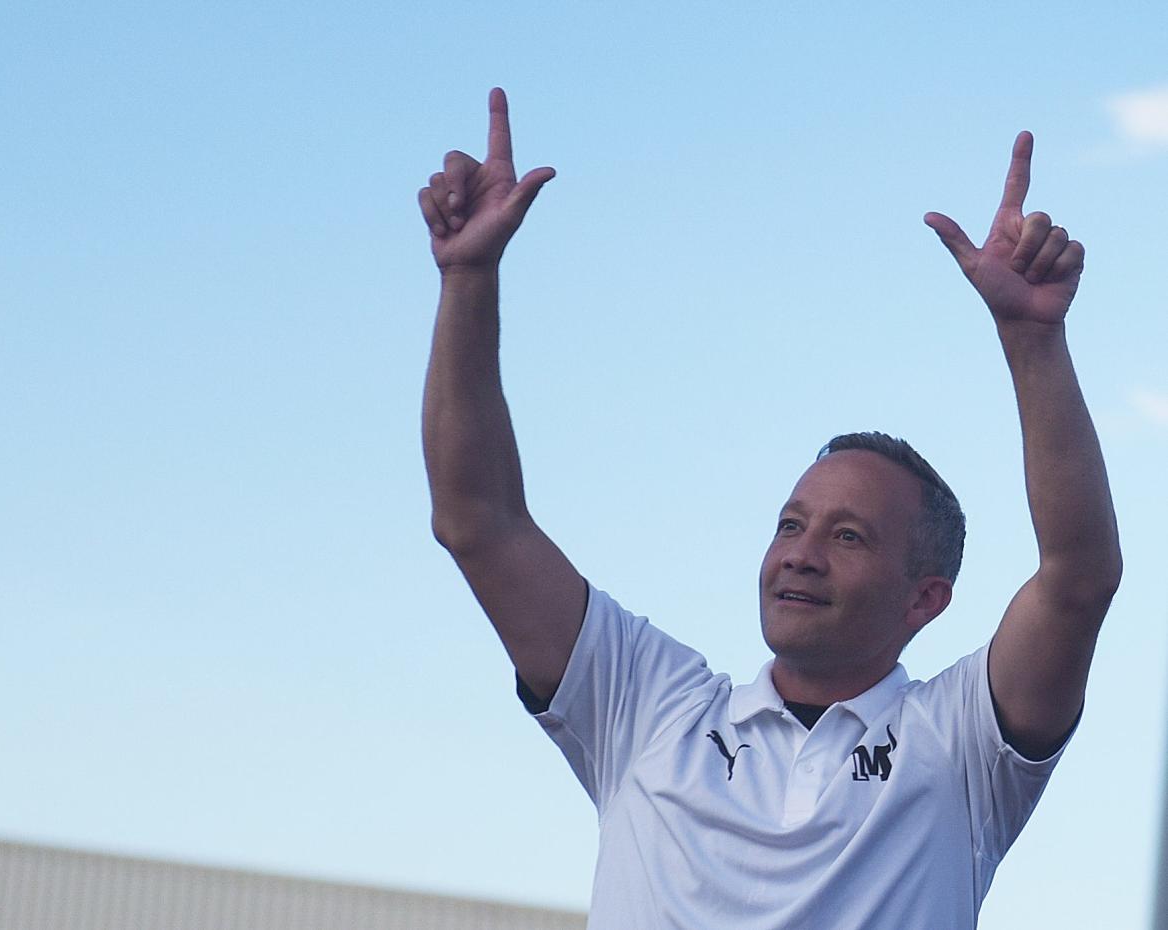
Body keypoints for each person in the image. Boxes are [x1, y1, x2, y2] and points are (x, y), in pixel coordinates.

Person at [418, 88, 1121, 929]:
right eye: (791, 524)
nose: (800, 552)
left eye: (848, 536)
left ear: (924, 598)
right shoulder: (647, 705)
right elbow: (477, 521)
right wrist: (467, 278)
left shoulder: (961, 746)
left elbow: (1079, 576)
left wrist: (1034, 340)